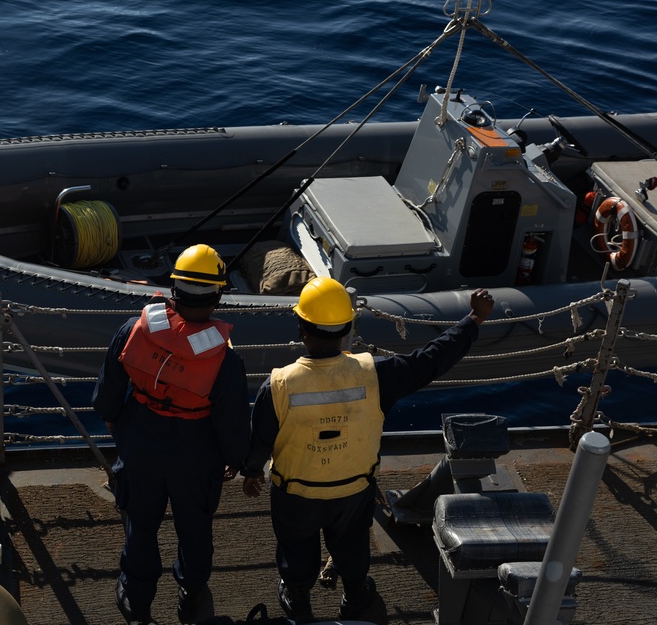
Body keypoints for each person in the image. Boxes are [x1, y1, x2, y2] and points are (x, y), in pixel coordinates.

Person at [241, 277, 494, 623]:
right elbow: (431, 360)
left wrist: (252, 471)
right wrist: (473, 320)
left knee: (296, 548)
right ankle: (356, 593)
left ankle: (298, 599)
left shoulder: (279, 385)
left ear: (302, 330)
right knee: (351, 544)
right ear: (347, 328)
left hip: (296, 494)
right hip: (353, 491)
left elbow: (260, 440)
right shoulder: (375, 375)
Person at [93, 244, 250, 625]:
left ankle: (137, 598)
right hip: (196, 457)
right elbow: (232, 425)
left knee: (141, 525)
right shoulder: (226, 361)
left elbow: (108, 397)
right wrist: (237, 461)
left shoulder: (133, 330)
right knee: (195, 529)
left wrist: (120, 426)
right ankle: (191, 594)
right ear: (217, 296)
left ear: (174, 289)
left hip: (140, 444)